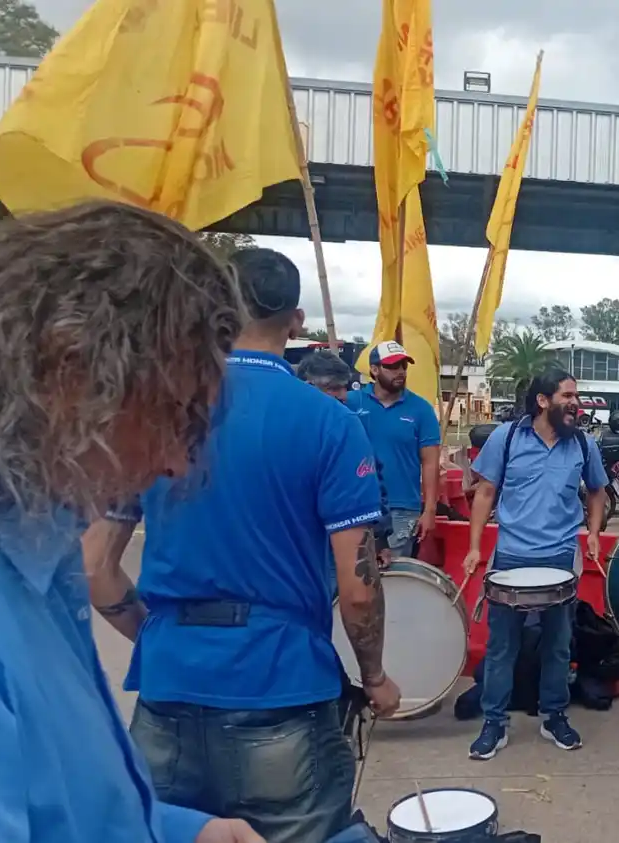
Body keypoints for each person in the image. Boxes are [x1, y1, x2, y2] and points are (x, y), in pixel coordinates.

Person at [0, 202, 262, 842]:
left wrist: (174, 831)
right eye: (174, 414)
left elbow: (51, 799)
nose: (175, 461)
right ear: (71, 370)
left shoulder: (15, 532)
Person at [89, 248, 399, 843]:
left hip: (167, 689)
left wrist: (160, 632)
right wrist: (375, 675)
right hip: (282, 689)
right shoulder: (331, 422)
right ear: (298, 320)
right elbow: (357, 591)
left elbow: (95, 567)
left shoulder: (156, 413)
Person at [463, 368, 609, 760]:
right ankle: (494, 722)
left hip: (561, 555)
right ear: (543, 401)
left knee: (558, 645)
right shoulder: (506, 437)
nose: (575, 404)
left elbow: (597, 492)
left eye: (576, 396)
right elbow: (485, 493)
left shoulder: (582, 444)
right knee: (501, 646)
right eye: (567, 396)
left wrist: (593, 532)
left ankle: (554, 715)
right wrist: (475, 547)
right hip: (510, 555)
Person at [300, 351, 395, 567]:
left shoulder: (349, 426)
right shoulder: (282, 429)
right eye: (333, 388)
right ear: (307, 386)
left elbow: (373, 483)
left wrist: (380, 538)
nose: (343, 395)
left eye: (345, 387)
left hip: (341, 543)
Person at [347, 341, 442, 556]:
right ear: (374, 369)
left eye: (403, 366)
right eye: (392, 366)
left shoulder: (421, 410)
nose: (400, 371)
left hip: (402, 508)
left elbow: (430, 462)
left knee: (392, 579)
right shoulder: (351, 403)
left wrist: (429, 510)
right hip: (355, 503)